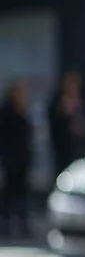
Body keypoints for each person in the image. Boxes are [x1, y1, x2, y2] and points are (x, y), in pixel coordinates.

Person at [0, 81, 34, 238]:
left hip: (22, 159)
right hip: (11, 159)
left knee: (21, 193)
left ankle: (22, 223)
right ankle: (6, 224)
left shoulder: (23, 111)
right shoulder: (7, 112)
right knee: (9, 193)